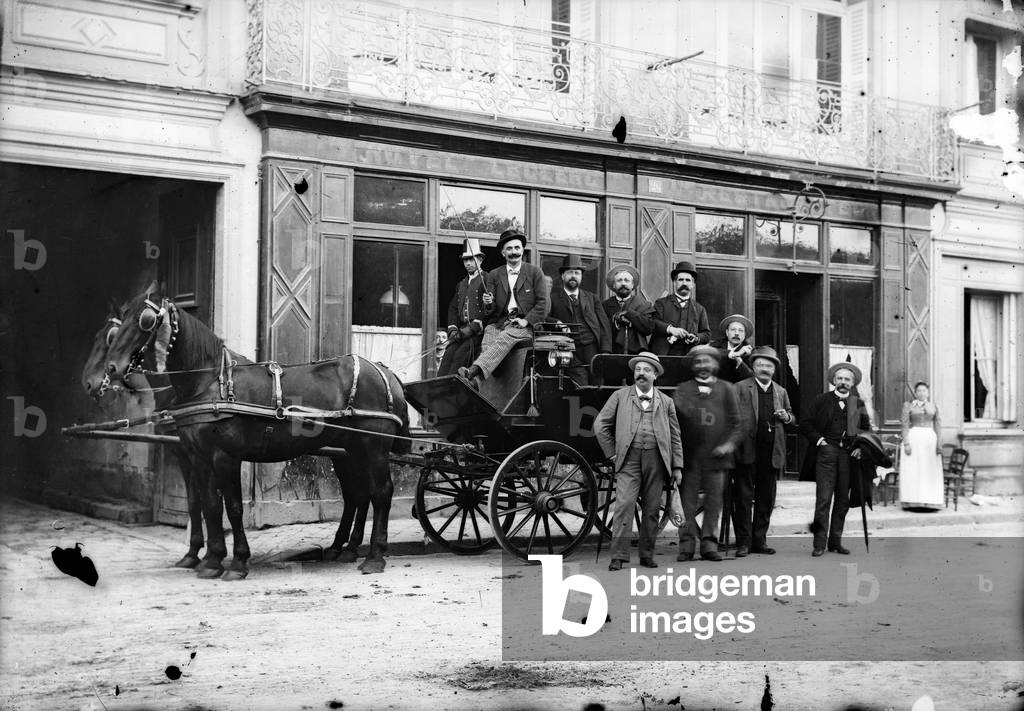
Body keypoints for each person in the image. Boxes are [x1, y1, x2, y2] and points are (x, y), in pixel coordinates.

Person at [594, 352, 684, 571]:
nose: (641, 374)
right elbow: (600, 424)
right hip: (629, 459)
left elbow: (675, 436)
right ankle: (618, 556)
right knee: (624, 506)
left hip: (657, 459)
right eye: (637, 370)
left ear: (655, 375)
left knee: (652, 509)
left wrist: (677, 466)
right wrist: (612, 454)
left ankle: (646, 555)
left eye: (646, 370)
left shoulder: (667, 401)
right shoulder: (620, 396)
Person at [672, 344, 742, 562]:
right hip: (690, 457)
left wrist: (728, 445)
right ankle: (686, 546)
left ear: (715, 364)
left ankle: (709, 545)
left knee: (713, 503)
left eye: (707, 361)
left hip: (717, 458)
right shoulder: (682, 390)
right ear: (693, 366)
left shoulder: (727, 389)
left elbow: (737, 423)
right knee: (687, 504)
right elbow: (675, 422)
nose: (703, 366)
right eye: (698, 362)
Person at [458, 229, 548, 387]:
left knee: (504, 338)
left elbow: (543, 304)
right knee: (487, 341)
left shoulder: (535, 272)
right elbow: (491, 309)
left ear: (522, 250)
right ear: (503, 252)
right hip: (499, 323)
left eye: (517, 248)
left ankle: (473, 373)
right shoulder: (494, 274)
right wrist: (488, 303)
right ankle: (483, 388)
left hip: (524, 326)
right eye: (509, 249)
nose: (514, 252)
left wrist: (526, 321)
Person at [799, 363, 872, 557]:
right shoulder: (821, 400)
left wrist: (859, 448)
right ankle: (819, 544)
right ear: (834, 380)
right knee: (823, 500)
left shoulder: (858, 404)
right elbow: (805, 423)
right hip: (826, 455)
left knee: (842, 501)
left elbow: (865, 431)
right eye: (839, 378)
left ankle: (835, 542)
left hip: (848, 457)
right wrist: (820, 440)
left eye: (847, 379)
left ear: (853, 383)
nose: (843, 382)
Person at [732, 346, 794, 557]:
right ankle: (743, 543)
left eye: (768, 365)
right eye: (760, 365)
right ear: (753, 367)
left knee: (766, 499)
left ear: (774, 369)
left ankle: (759, 541)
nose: (764, 369)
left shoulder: (781, 391)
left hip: (771, 453)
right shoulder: (740, 387)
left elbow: (791, 418)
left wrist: (786, 417)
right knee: (742, 498)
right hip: (746, 451)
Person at [548, 254, 612, 385]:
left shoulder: (592, 298)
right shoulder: (553, 298)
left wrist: (605, 351)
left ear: (581, 276)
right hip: (568, 348)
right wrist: (556, 322)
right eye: (570, 272)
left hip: (592, 347)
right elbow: (543, 317)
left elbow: (604, 325)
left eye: (577, 273)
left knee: (597, 383)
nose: (573, 276)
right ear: (562, 276)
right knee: (579, 382)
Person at [437, 238, 488, 377]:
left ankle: (451, 392)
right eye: (465, 260)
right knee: (448, 355)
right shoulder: (461, 284)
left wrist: (473, 327)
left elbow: (490, 309)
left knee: (460, 356)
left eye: (472, 259)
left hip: (477, 335)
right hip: (461, 332)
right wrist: (453, 329)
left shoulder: (488, 280)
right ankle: (439, 391)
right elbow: (453, 307)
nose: (468, 263)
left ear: (480, 260)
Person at [649, 261, 711, 356]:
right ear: (674, 283)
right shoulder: (661, 303)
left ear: (693, 284)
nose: (684, 283)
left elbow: (706, 334)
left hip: (689, 356)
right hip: (663, 355)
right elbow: (652, 323)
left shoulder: (699, 309)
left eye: (688, 280)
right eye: (681, 280)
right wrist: (671, 329)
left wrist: (696, 337)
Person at [898, 381, 944, 510]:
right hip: (914, 438)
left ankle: (930, 501)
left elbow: (938, 426)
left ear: (928, 393)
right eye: (919, 391)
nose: (921, 393)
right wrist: (906, 442)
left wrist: (939, 444)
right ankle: (911, 501)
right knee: (914, 469)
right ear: (915, 392)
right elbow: (905, 425)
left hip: (930, 440)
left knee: (929, 469)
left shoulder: (934, 406)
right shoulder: (909, 406)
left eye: (924, 390)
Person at [601, 265, 656, 355]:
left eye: (627, 280)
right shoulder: (605, 305)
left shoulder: (644, 304)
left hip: (637, 354)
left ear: (632, 285)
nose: (623, 283)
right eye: (619, 280)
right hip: (612, 352)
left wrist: (629, 313)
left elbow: (649, 328)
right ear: (614, 285)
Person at [709, 314, 755, 384]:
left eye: (740, 331)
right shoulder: (716, 345)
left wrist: (740, 363)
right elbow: (706, 352)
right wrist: (734, 354)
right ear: (727, 332)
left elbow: (753, 378)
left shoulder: (750, 351)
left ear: (745, 334)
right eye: (733, 330)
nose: (736, 333)